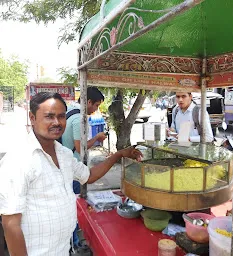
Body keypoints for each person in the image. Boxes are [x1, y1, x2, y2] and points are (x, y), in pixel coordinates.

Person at [0, 92, 142, 256]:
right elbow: (11, 223)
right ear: (32, 118)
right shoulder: (19, 158)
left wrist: (118, 155)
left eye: (61, 116)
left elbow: (88, 175)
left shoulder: (64, 154)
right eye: (49, 117)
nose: (57, 122)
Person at [61, 87, 107, 249]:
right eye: (96, 105)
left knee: (71, 204)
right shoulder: (79, 118)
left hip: (66, 165)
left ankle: (72, 239)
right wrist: (97, 138)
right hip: (72, 168)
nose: (96, 110)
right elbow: (81, 148)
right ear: (88, 102)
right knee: (73, 206)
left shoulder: (71, 112)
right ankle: (74, 243)